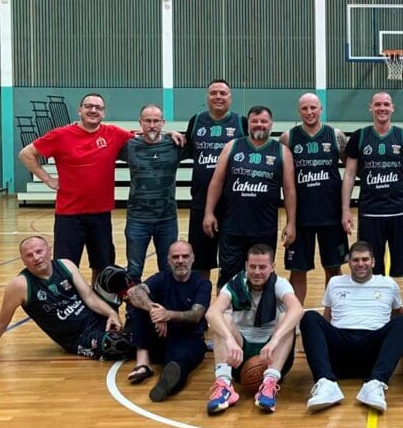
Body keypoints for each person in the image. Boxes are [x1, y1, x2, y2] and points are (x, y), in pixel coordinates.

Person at [0, 236, 128, 363]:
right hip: (81, 337)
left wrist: (112, 313)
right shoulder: (20, 286)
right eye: (29, 255)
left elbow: (89, 297)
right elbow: (1, 322)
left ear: (49, 251)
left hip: (97, 318)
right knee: (117, 345)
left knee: (112, 274)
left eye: (39, 251)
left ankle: (132, 320)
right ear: (23, 260)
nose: (36, 258)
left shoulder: (65, 265)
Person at [18, 94, 133, 280]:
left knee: (103, 266)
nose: (93, 110)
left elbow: (146, 136)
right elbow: (26, 154)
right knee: (66, 267)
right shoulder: (60, 135)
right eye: (89, 106)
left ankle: (97, 298)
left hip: (101, 214)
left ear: (104, 113)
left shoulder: (113, 133)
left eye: (98, 107)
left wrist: (170, 134)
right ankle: (69, 298)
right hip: (69, 215)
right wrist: (48, 179)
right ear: (80, 110)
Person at [300, 241, 403, 413]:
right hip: (340, 349)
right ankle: (326, 383)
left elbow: (399, 317)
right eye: (356, 260)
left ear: (373, 261)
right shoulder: (335, 283)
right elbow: (326, 319)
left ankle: (375, 383)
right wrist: (315, 344)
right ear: (349, 262)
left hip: (372, 351)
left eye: (365, 259)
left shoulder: (388, 284)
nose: (360, 264)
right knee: (310, 317)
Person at [203, 105, 296, 289]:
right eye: (255, 121)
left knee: (261, 278)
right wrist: (209, 212)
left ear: (271, 124)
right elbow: (217, 182)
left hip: (264, 229)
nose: (259, 124)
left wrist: (291, 222)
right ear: (248, 124)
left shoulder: (282, 151)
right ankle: (226, 308)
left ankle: (260, 309)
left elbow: (289, 190)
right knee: (228, 278)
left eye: (264, 121)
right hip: (233, 228)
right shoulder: (232, 146)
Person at [204, 244, 304, 414]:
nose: (257, 272)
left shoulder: (280, 284)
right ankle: (224, 386)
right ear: (246, 265)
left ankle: (269, 383)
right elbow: (211, 312)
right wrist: (229, 339)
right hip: (238, 355)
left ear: (272, 267)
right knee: (223, 319)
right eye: (252, 266)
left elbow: (297, 309)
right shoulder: (235, 284)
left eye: (262, 267)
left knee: (286, 317)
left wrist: (275, 340)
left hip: (273, 355)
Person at [342, 91, 403, 294]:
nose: (382, 108)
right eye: (377, 104)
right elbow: (349, 175)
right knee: (370, 270)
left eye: (386, 104)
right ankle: (374, 308)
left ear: (392, 108)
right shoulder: (360, 137)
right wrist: (345, 210)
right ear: (370, 107)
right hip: (370, 213)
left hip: (401, 212)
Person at [124, 241, 211, 402]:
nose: (180, 261)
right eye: (175, 257)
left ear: (193, 258)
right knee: (138, 303)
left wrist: (168, 315)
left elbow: (196, 315)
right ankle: (143, 363)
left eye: (185, 256)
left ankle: (166, 384)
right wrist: (153, 310)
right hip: (161, 337)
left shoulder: (202, 283)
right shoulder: (161, 278)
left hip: (189, 339)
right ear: (169, 260)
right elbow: (133, 291)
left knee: (179, 362)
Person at [282, 93, 349, 304]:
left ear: (321, 109)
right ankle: (294, 317)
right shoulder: (288, 138)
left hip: (331, 214)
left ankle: (335, 314)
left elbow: (351, 169)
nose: (309, 112)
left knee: (334, 269)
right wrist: (289, 221)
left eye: (313, 108)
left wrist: (346, 210)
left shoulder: (336, 136)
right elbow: (285, 180)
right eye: (305, 108)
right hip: (301, 217)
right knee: (297, 270)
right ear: (299, 110)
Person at [183, 79, 247, 279]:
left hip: (233, 205)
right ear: (207, 97)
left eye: (223, 93)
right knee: (200, 262)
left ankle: (229, 299)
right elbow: (185, 146)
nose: (218, 97)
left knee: (232, 262)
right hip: (201, 203)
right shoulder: (196, 121)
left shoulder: (241, 122)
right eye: (214, 93)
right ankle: (201, 298)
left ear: (230, 97)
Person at [120, 104, 183, 283]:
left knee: (168, 269)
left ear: (163, 123)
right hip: (137, 219)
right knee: (133, 271)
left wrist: (171, 133)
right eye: (148, 121)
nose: (152, 125)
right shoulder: (129, 146)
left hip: (167, 219)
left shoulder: (175, 145)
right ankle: (133, 302)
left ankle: (167, 301)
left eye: (156, 121)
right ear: (140, 123)